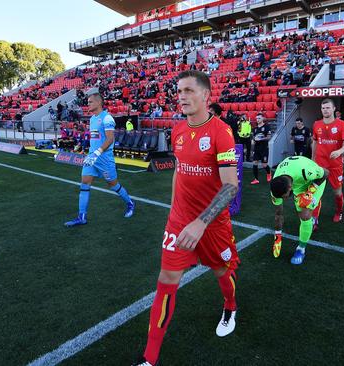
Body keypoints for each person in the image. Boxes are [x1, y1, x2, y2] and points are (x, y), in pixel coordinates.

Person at [133, 71, 240, 366]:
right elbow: (180, 170)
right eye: (179, 91)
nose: (181, 96)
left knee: (221, 271)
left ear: (206, 96)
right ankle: (149, 359)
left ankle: (230, 305)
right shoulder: (178, 130)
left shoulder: (221, 132)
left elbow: (231, 185)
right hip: (180, 220)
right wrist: (174, 209)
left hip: (212, 223)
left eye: (189, 90)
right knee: (166, 279)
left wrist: (201, 222)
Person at [64, 88, 134, 226]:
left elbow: (110, 139)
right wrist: (91, 153)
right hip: (92, 158)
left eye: (90, 102)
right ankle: (81, 217)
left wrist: (97, 152)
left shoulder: (107, 118)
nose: (88, 104)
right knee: (84, 184)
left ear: (98, 103)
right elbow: (96, 138)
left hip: (104, 159)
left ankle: (130, 203)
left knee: (113, 185)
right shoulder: (92, 119)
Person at [270, 156, 328, 265]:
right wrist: (277, 236)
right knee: (300, 210)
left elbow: (326, 173)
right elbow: (279, 213)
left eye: (285, 196)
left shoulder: (307, 172)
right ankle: (311, 214)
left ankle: (301, 249)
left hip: (315, 180)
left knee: (305, 215)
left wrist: (311, 191)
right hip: (298, 184)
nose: (284, 199)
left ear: (289, 187)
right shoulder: (276, 187)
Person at [311, 98, 344, 225]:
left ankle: (339, 212)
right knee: (316, 193)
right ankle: (314, 220)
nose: (325, 110)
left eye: (328, 107)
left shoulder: (342, 124)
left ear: (334, 109)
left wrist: (340, 151)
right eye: (323, 108)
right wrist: (312, 160)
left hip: (335, 166)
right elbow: (315, 142)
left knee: (337, 192)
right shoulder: (317, 124)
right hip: (319, 165)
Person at [250, 113, 272, 184]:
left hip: (264, 148)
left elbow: (269, 137)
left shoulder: (266, 126)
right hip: (256, 148)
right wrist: (253, 140)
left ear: (262, 118)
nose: (257, 120)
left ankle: (269, 173)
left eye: (259, 118)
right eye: (256, 119)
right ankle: (256, 179)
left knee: (264, 165)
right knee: (255, 163)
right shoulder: (255, 128)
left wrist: (261, 139)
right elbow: (253, 137)